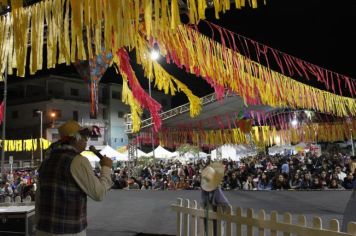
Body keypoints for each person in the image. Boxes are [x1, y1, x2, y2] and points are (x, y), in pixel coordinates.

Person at [35, 120, 113, 236]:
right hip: (68, 231)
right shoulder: (79, 161)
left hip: (43, 230)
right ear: (76, 138)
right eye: (84, 137)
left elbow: (39, 197)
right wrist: (106, 168)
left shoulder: (46, 161)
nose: (86, 141)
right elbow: (99, 193)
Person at [201, 162, 230, 236]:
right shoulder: (204, 190)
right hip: (208, 217)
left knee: (215, 232)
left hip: (216, 219)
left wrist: (216, 207)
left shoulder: (216, 190)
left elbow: (226, 206)